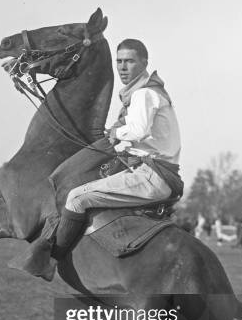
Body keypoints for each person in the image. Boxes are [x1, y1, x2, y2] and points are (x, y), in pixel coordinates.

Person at [51, 38, 183, 261]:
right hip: (151, 171)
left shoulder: (143, 94)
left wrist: (116, 133)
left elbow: (138, 130)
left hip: (152, 176)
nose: (122, 67)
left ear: (144, 63)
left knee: (76, 198)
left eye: (129, 61)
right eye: (119, 61)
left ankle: (51, 259)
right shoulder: (146, 92)